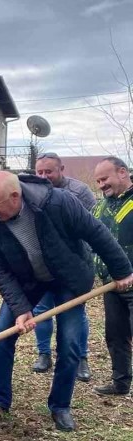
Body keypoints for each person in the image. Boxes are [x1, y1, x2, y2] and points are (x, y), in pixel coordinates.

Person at [0, 171, 133, 431]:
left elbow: (96, 233)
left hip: (68, 278)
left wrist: (122, 270)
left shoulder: (57, 202)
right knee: (2, 334)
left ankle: (60, 406)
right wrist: (21, 308)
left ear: (15, 196)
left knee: (69, 342)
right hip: (28, 281)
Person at [32, 152, 97, 380]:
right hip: (43, 266)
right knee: (41, 311)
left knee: (75, 313)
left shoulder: (80, 192)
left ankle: (81, 358)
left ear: (61, 169)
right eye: (39, 172)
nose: (43, 176)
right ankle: (43, 354)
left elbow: (94, 228)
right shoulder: (32, 193)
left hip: (73, 266)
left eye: (48, 171)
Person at [92, 156, 133, 396]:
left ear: (122, 173)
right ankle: (120, 383)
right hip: (111, 285)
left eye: (104, 179)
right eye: (97, 180)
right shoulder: (100, 206)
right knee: (115, 335)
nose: (100, 185)